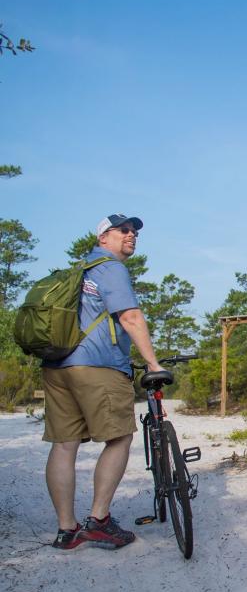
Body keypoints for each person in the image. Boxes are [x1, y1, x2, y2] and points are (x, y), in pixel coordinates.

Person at [42, 214, 163, 550]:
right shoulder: (110, 268)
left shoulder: (78, 271)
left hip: (57, 366)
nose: (131, 234)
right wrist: (152, 364)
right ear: (103, 238)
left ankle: (67, 530)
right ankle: (98, 520)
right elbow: (130, 317)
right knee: (119, 437)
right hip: (97, 366)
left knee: (64, 444)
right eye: (123, 230)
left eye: (134, 231)